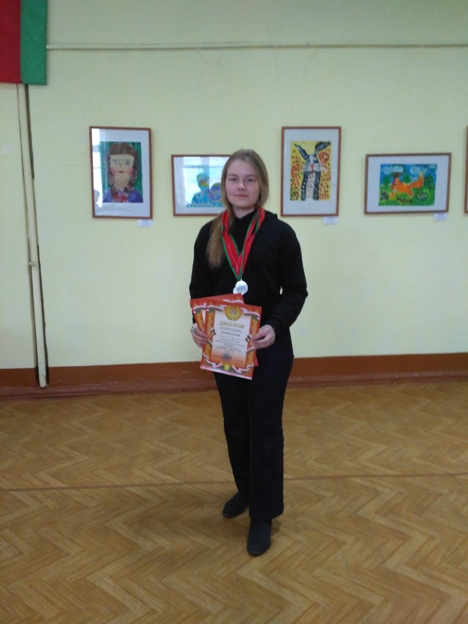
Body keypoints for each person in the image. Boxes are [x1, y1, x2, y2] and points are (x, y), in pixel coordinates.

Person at [189, 149, 308, 556]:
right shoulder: (209, 234)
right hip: (224, 347)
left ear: (261, 186)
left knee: (265, 427)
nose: (241, 186)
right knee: (235, 423)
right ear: (223, 185)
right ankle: (246, 488)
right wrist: (198, 326)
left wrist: (275, 326)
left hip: (268, 346)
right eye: (234, 179)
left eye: (249, 179)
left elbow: (296, 291)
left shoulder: (280, 234)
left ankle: (263, 514)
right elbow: (199, 290)